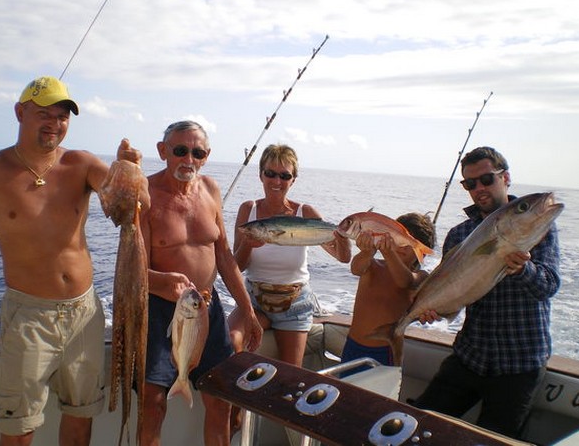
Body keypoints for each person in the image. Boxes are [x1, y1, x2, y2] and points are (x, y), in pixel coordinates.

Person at [0, 76, 147, 446]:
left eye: (62, 116)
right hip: (29, 317)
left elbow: (130, 209)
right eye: (43, 113)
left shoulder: (81, 163)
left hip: (85, 314)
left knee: (81, 417)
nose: (54, 123)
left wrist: (130, 173)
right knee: (19, 428)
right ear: (19, 112)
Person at [412, 146, 561, 439]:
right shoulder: (458, 234)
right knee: (418, 429)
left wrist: (523, 270)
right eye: (470, 183)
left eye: (486, 179)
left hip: (519, 364)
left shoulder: (539, 227)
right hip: (470, 355)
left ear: (505, 177)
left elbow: (549, 286)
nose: (479, 188)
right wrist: (432, 311)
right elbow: (451, 295)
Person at [138, 120, 263, 446]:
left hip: (208, 308)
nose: (188, 159)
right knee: (152, 404)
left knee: (220, 399)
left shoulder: (211, 190)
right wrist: (162, 281)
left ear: (206, 156)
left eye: (198, 152)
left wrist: (247, 311)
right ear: (162, 151)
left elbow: (223, 255)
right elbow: (132, 269)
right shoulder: (146, 195)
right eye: (180, 151)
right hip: (159, 311)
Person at [228, 144, 351, 367]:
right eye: (270, 173)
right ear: (260, 175)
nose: (277, 181)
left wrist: (345, 237)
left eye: (285, 175)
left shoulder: (306, 213)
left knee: (290, 376)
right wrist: (248, 244)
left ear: (293, 179)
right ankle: (236, 402)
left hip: (295, 305)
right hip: (255, 301)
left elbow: (343, 258)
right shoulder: (249, 210)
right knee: (230, 342)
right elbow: (237, 266)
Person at [341, 213, 435, 370]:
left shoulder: (420, 276)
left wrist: (388, 251)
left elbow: (404, 282)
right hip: (352, 346)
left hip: (386, 352)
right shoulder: (374, 265)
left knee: (381, 393)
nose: (403, 247)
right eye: (398, 240)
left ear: (421, 252)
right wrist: (367, 252)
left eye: (409, 243)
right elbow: (356, 268)